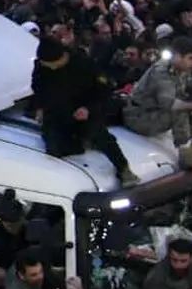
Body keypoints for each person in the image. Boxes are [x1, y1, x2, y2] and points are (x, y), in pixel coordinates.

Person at [31, 36, 140, 187]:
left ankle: (123, 169)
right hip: (57, 111)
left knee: (100, 135)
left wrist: (89, 108)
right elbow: (38, 87)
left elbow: (103, 90)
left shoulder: (84, 64)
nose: (52, 68)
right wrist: (40, 107)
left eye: (54, 64)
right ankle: (80, 141)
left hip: (84, 109)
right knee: (55, 147)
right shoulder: (42, 65)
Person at [124, 36, 192, 169]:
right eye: (191, 58)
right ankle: (185, 152)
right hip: (140, 116)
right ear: (178, 56)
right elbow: (169, 104)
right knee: (182, 108)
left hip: (155, 112)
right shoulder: (161, 72)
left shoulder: (180, 69)